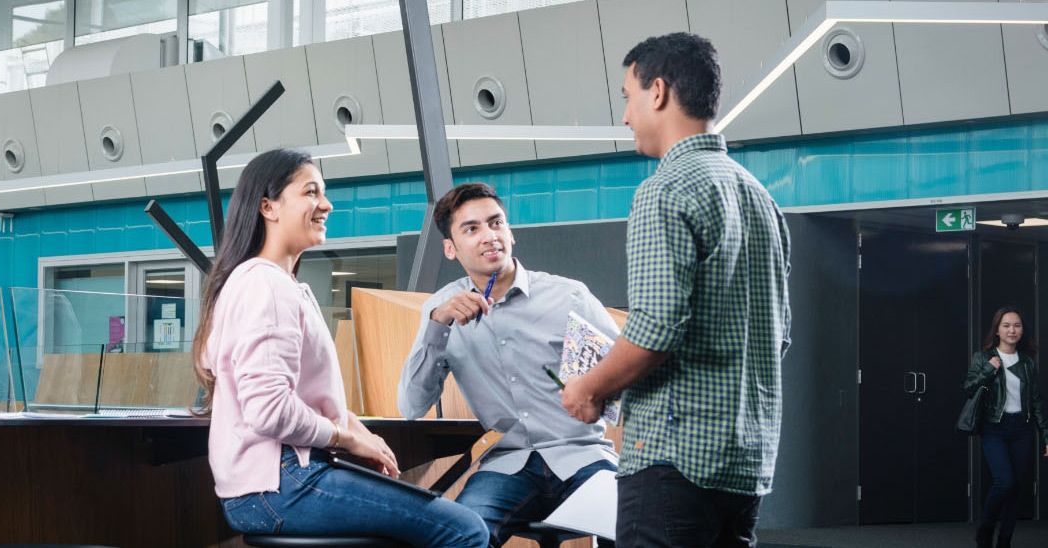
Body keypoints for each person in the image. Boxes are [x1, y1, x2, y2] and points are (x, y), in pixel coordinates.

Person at [559, 32, 792, 547]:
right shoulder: (761, 201)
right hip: (746, 461)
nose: (625, 116)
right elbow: (778, 336)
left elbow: (656, 330)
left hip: (674, 457)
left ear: (658, 91)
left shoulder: (664, 189)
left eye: (627, 96)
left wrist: (589, 387)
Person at [194, 148, 488, 547]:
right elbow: (268, 409)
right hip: (281, 485)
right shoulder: (268, 286)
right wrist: (345, 437)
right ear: (269, 207)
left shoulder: (260, 282)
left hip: (266, 485)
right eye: (311, 192)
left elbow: (304, 399)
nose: (326, 204)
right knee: (465, 531)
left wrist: (357, 431)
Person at [398, 182, 619, 547]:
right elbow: (411, 406)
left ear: (510, 233)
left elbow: (626, 374)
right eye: (472, 228)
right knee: (462, 535)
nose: (489, 236)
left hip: (582, 455)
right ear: (450, 249)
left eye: (496, 223)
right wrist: (437, 326)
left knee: (634, 522)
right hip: (507, 464)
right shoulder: (441, 308)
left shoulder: (569, 296)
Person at [964, 306, 1048, 548]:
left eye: (1017, 325)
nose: (1012, 330)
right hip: (994, 428)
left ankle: (1004, 541)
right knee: (1005, 481)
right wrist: (990, 368)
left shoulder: (1028, 363)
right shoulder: (983, 357)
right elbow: (968, 388)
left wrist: (1045, 435)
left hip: (1022, 428)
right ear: (998, 330)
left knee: (1016, 490)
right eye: (1007, 325)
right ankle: (985, 530)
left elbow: (1036, 401)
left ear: (1022, 331)